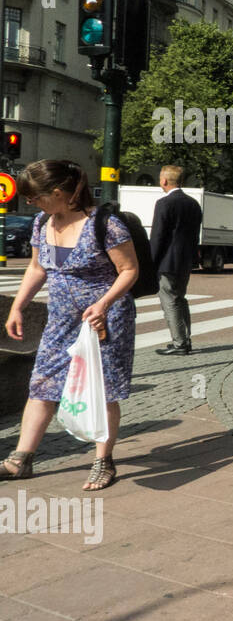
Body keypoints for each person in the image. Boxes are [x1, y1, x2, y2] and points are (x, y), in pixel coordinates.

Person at [2, 160, 140, 491]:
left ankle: (103, 461)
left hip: (105, 319)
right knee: (43, 382)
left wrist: (103, 304)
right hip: (61, 318)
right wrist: (17, 306)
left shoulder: (105, 225)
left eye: (35, 197)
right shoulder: (41, 223)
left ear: (59, 193)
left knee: (103, 389)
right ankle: (20, 460)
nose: (30, 203)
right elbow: (37, 268)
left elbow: (130, 270)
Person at [150, 165, 203, 356]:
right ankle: (185, 339)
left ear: (164, 181)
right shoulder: (194, 204)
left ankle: (179, 343)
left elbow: (158, 236)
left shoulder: (164, 203)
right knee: (180, 299)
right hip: (185, 260)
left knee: (170, 301)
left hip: (167, 262)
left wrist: (151, 262)